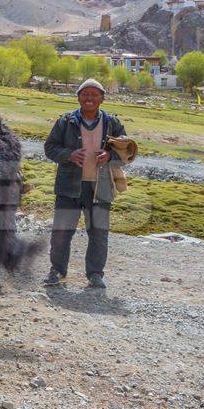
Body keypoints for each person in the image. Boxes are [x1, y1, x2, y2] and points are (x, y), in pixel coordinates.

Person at [42, 78, 126, 289]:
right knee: (61, 232)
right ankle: (57, 271)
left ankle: (95, 274)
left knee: (98, 233)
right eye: (85, 94)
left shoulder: (112, 123)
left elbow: (127, 150)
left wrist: (110, 155)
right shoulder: (66, 121)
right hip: (68, 187)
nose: (89, 98)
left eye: (94, 94)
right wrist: (69, 155)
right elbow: (50, 148)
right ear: (78, 97)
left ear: (102, 99)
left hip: (100, 188)